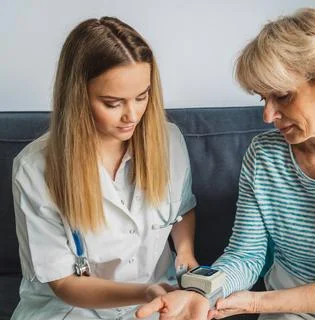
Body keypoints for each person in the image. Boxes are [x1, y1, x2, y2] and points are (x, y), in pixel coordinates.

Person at [136, 7, 315, 320]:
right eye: (263, 99)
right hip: (291, 307)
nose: (267, 115)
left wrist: (256, 303)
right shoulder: (264, 156)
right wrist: (200, 293)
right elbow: (245, 256)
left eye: (283, 96)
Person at [11, 17, 198, 319]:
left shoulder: (169, 141)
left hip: (157, 301)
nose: (132, 115)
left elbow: (182, 209)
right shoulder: (34, 169)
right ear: (77, 96)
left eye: (142, 97)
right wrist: (145, 291)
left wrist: (186, 255)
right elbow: (64, 283)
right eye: (113, 103)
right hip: (72, 309)